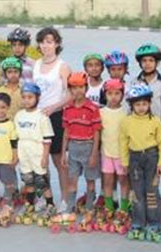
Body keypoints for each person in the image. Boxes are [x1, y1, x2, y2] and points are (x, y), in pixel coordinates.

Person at [131, 43, 161, 216]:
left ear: (157, 62)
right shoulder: (135, 82)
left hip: (160, 129)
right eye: (144, 61)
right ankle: (144, 195)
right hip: (139, 129)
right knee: (142, 162)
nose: (147, 64)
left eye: (151, 60)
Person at [120, 85, 161, 242]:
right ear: (132, 105)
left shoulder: (155, 121)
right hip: (134, 159)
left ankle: (155, 222)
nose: (141, 108)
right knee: (137, 193)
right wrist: (125, 162)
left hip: (151, 157)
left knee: (151, 191)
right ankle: (138, 222)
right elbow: (123, 142)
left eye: (144, 104)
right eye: (137, 104)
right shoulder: (126, 122)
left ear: (149, 104)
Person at [33, 27, 72, 206]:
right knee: (41, 162)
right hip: (38, 118)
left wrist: (54, 107)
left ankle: (64, 200)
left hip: (56, 117)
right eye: (42, 42)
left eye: (50, 41)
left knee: (59, 161)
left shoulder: (63, 66)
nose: (46, 45)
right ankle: (45, 198)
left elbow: (71, 95)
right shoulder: (36, 65)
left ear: (57, 44)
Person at [59, 72, 101, 219]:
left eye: (81, 87)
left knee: (90, 180)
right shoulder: (67, 109)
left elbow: (96, 132)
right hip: (73, 148)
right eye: (74, 88)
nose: (78, 91)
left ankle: (89, 207)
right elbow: (66, 132)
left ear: (86, 88)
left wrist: (94, 154)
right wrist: (64, 152)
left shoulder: (92, 108)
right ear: (70, 89)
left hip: (88, 147)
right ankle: (70, 208)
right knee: (72, 180)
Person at [14, 83, 56, 223]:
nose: (27, 100)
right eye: (24, 97)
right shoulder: (19, 115)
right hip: (24, 152)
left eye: (30, 97)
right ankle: (30, 204)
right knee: (28, 181)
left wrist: (45, 157)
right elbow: (15, 137)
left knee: (41, 182)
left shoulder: (42, 116)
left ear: (37, 98)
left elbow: (47, 139)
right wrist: (16, 156)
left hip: (37, 152)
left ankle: (50, 204)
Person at [99, 79, 130, 221]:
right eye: (110, 93)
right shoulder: (100, 112)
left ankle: (123, 208)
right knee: (107, 182)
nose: (113, 97)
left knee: (123, 181)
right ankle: (109, 207)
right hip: (106, 154)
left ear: (123, 95)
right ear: (105, 95)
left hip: (121, 155)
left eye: (117, 93)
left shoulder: (126, 114)